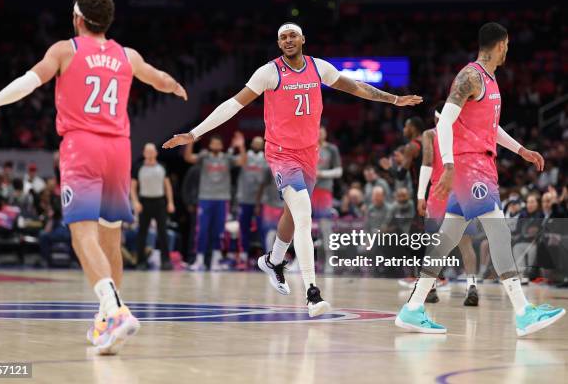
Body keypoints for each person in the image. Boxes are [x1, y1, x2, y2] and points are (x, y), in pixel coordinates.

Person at [0, 0, 187, 354]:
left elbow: (30, 80)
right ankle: (107, 319)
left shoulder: (64, 50)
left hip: (82, 145)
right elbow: (160, 79)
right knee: (110, 239)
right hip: (119, 149)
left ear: (78, 18)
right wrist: (177, 87)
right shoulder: (126, 55)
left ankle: (115, 311)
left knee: (82, 235)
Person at [163, 22, 422, 316]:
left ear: (302, 39)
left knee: (291, 213)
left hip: (309, 154)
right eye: (282, 37)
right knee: (303, 213)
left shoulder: (318, 68)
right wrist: (194, 134)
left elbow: (356, 87)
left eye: (292, 36)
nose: (287, 40)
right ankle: (313, 293)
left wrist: (394, 99)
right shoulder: (268, 72)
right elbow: (233, 105)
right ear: (278, 43)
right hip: (281, 153)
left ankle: (273, 261)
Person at [395, 22, 565, 336]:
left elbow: (489, 128)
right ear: (501, 45)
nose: (508, 51)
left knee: (445, 241)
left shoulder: (490, 79)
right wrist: (447, 165)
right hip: (469, 167)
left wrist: (521, 150)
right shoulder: (470, 76)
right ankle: (523, 311)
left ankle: (413, 307)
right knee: (499, 233)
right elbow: (443, 123)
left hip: (480, 165)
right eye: (507, 46)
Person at [416, 104, 480, 306]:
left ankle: (431, 288)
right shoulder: (465, 133)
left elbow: (427, 162)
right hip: (461, 192)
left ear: (436, 120)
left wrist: (420, 195)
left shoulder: (430, 134)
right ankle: (472, 286)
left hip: (438, 191)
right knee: (465, 243)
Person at [184, 133, 246, 271]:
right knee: (202, 230)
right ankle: (199, 261)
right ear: (210, 145)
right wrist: (190, 142)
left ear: (222, 146)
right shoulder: (204, 157)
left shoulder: (227, 158)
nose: (216, 146)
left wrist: (241, 147)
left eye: (218, 144)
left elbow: (242, 161)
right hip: (205, 198)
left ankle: (215, 261)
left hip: (222, 199)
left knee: (219, 231)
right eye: (214, 143)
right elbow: (188, 157)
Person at [131, 143, 175, 270]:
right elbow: (132, 187)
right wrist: (135, 202)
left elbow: (167, 186)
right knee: (142, 233)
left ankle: (165, 261)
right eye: (147, 152)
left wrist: (170, 202)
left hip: (159, 202)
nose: (150, 154)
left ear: (156, 153)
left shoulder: (162, 167)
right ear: (144, 153)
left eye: (152, 152)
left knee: (163, 232)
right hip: (144, 202)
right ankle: (141, 262)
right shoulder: (138, 167)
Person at [313, 126, 342, 270]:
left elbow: (338, 171)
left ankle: (330, 258)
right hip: (308, 190)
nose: (319, 134)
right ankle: (301, 261)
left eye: (322, 131)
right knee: (304, 226)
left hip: (324, 191)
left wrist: (321, 174)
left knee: (325, 227)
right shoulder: (309, 147)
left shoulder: (332, 149)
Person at [236, 136, 266, 264]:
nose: (257, 145)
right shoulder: (245, 157)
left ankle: (265, 255)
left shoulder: (266, 158)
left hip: (262, 200)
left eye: (260, 143)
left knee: (263, 228)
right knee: (244, 228)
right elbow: (238, 162)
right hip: (245, 198)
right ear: (251, 144)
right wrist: (240, 146)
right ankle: (243, 255)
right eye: (255, 143)